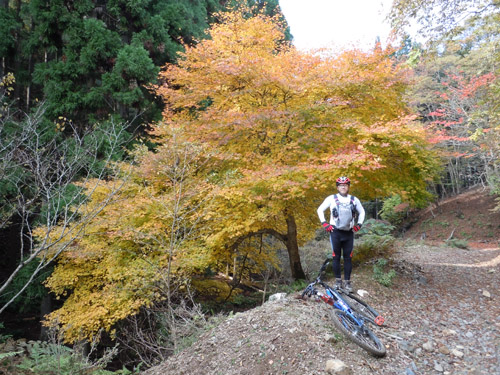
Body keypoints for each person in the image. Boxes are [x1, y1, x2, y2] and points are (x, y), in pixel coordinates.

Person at [317, 176, 365, 293]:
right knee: (336, 257)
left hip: (349, 233)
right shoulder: (331, 198)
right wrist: (324, 223)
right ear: (338, 187)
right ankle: (338, 282)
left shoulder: (354, 199)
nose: (343, 187)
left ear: (348, 186)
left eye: (345, 185)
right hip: (335, 232)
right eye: (341, 185)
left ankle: (347, 283)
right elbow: (320, 210)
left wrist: (359, 224)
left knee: (348, 258)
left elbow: (362, 211)